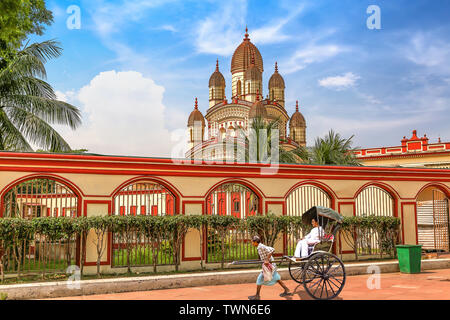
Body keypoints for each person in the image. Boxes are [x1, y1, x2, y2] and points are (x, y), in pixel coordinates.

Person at [248, 235, 291, 300]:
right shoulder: (259, 247)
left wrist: (267, 259)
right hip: (269, 265)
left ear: (256, 242)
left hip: (270, 265)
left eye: (252, 242)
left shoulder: (261, 247)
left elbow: (272, 250)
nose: (252, 243)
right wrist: (266, 260)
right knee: (276, 277)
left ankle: (257, 296)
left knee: (259, 279)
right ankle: (286, 290)